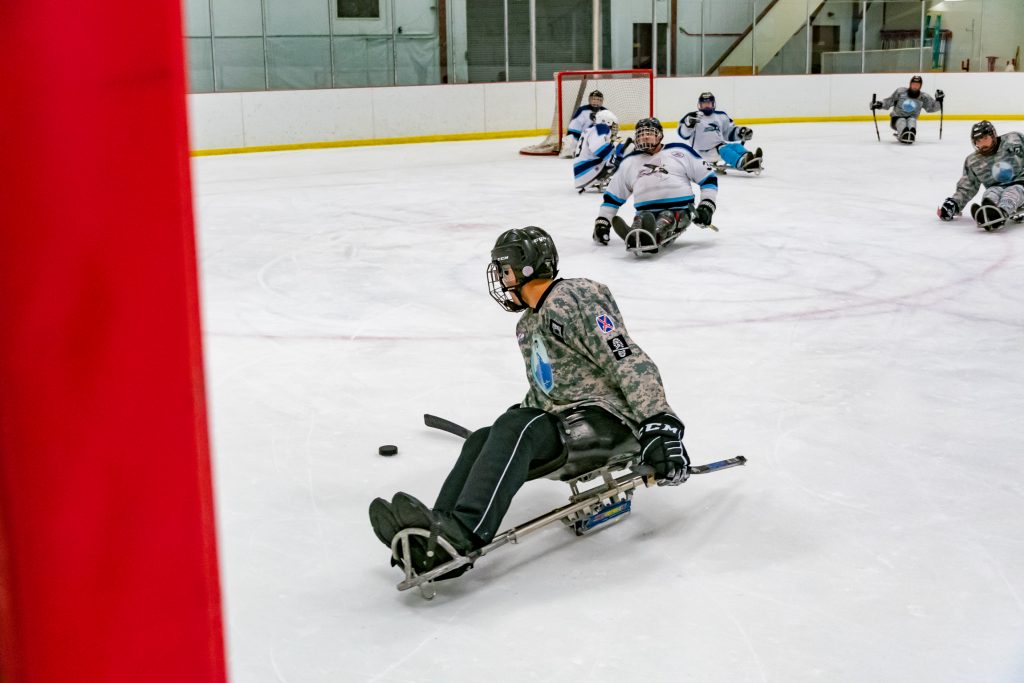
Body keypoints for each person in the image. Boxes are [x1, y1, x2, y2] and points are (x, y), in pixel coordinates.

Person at [369, 227, 690, 577]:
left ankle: (465, 533)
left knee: (516, 426)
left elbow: (626, 358)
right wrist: (504, 431)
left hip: (609, 421)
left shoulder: (575, 296)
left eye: (503, 270)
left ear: (525, 268)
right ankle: (437, 534)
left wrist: (660, 424)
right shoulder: (528, 325)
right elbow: (548, 389)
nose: (502, 281)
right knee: (484, 436)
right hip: (571, 425)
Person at [593, 117, 719, 254]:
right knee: (641, 218)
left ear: (659, 135)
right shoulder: (629, 162)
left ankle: (655, 235)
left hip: (679, 211)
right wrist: (602, 221)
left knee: (666, 216)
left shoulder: (680, 151)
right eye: (641, 135)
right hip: (645, 212)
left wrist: (707, 205)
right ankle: (635, 234)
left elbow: (708, 178)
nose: (645, 137)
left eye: (649, 133)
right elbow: (613, 196)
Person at [937, 120, 1024, 231]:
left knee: (1012, 192)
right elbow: (967, 186)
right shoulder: (973, 161)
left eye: (985, 138)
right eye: (978, 140)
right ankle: (988, 212)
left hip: (1021, 183)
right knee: (989, 194)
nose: (982, 144)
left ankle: (1001, 213)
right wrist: (954, 203)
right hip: (995, 187)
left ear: (993, 135)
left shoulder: (1014, 140)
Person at [677, 92, 763, 173]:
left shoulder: (721, 116)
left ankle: (750, 159)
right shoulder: (693, 117)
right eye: (704, 104)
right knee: (724, 149)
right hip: (702, 152)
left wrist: (740, 132)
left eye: (709, 104)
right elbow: (683, 134)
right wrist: (687, 125)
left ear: (713, 104)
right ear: (699, 105)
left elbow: (728, 132)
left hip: (719, 147)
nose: (707, 106)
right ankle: (742, 163)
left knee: (736, 146)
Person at [870, 75, 943, 144]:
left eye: (917, 85)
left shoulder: (923, 97)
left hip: (911, 118)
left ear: (920, 86)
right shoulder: (900, 91)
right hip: (896, 119)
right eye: (913, 84)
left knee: (912, 120)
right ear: (910, 84)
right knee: (902, 120)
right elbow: (889, 101)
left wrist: (939, 100)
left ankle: (911, 133)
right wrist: (879, 104)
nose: (915, 86)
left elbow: (932, 107)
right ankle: (903, 133)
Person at [573, 110, 628, 193]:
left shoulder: (592, 130)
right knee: (622, 150)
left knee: (618, 150)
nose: (614, 129)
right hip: (587, 171)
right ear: (606, 122)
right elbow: (600, 151)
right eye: (613, 126)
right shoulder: (599, 130)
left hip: (582, 170)